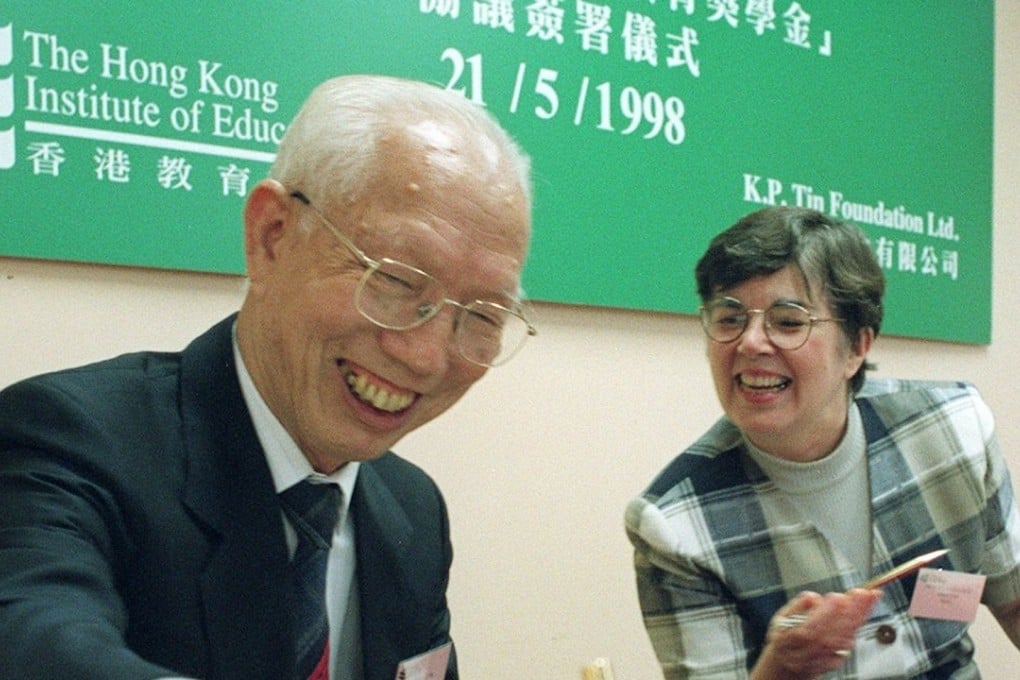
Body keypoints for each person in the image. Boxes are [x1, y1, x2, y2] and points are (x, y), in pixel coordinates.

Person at [0, 74, 535, 680]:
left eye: (483, 316)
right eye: (395, 280)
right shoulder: (71, 439)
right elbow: (35, 642)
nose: (426, 356)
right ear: (271, 237)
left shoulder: (409, 511)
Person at [625, 206, 1020, 678]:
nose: (751, 343)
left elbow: (1013, 600)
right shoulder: (675, 526)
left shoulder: (953, 429)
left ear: (857, 347)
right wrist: (781, 669)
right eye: (729, 318)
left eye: (787, 322)